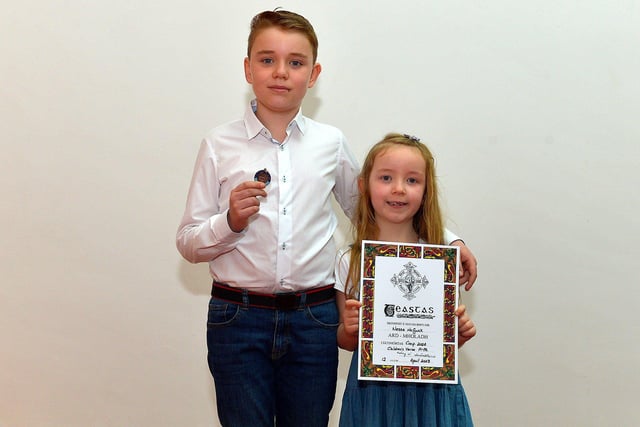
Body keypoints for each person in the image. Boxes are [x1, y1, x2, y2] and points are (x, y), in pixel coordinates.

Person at [176, 9, 477, 427]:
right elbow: (188, 243)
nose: (281, 72)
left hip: (313, 319)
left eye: (295, 63)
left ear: (313, 74)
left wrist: (449, 241)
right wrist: (230, 221)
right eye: (267, 59)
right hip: (237, 318)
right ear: (247, 68)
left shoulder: (329, 143)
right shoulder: (218, 144)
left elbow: (370, 208)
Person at [335, 133, 477, 427]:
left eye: (412, 181)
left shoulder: (440, 260)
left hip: (433, 394)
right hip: (373, 395)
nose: (399, 189)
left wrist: (458, 335)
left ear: (426, 191)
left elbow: (443, 338)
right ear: (364, 185)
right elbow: (346, 341)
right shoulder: (349, 259)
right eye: (386, 178)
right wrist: (349, 328)